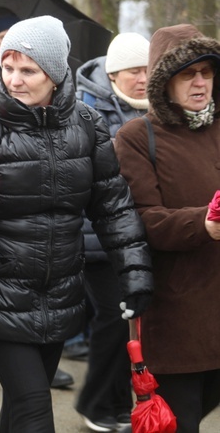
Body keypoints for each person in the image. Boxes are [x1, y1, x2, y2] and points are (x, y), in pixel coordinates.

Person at [0, 15, 153, 432]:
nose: (14, 79)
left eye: (28, 70)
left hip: (62, 296)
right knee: (34, 410)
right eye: (7, 67)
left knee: (18, 411)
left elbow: (112, 206)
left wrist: (133, 272)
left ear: (55, 74)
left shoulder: (87, 126)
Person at [114, 24, 220, 433]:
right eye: (187, 74)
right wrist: (203, 223)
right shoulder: (137, 137)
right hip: (178, 319)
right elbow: (143, 220)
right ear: (164, 82)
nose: (199, 82)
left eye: (207, 72)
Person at [74, 31, 151, 432]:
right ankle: (97, 403)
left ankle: (121, 402)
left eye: (147, 70)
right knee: (112, 318)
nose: (142, 78)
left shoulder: (155, 107)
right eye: (133, 71)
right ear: (113, 74)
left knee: (133, 320)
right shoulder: (87, 109)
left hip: (141, 234)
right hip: (98, 238)